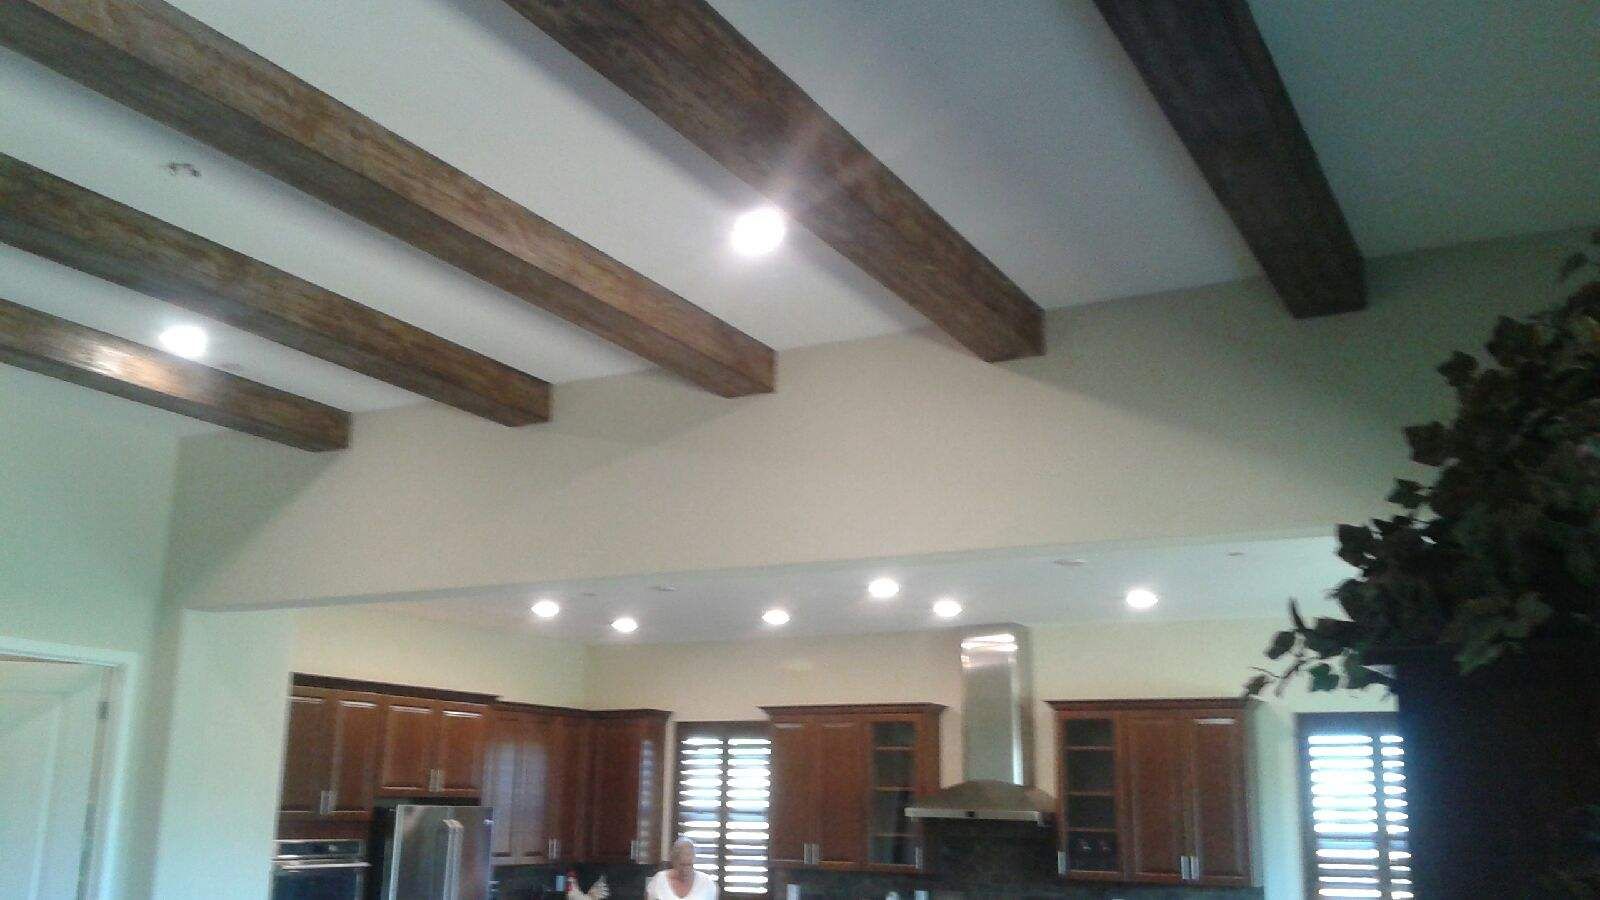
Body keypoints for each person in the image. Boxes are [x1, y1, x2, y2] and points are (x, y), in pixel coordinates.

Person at [646, 837, 718, 900]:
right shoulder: (659, 880)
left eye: (689, 865)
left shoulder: (707, 883)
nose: (685, 870)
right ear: (673, 862)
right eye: (682, 865)